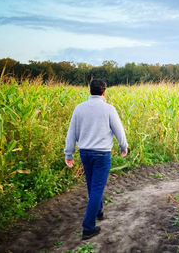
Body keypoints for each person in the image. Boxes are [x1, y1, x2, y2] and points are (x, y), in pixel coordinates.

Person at [64, 79, 128, 240]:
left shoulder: (79, 109)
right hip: (102, 155)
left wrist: (69, 153)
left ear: (89, 91)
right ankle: (88, 227)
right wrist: (123, 147)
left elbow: (71, 132)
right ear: (104, 92)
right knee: (97, 188)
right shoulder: (109, 109)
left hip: (85, 153)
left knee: (92, 185)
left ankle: (98, 211)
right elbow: (119, 130)